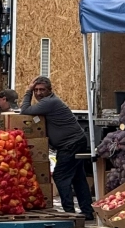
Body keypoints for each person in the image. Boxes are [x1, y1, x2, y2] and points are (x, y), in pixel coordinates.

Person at [20, 76, 93, 220]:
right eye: (36, 90)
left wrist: (28, 91)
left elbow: (24, 110)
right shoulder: (48, 102)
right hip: (75, 141)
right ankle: (87, 211)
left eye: (42, 90)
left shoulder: (50, 102)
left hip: (71, 144)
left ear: (49, 90)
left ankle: (69, 212)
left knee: (60, 176)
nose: (39, 93)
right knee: (78, 178)